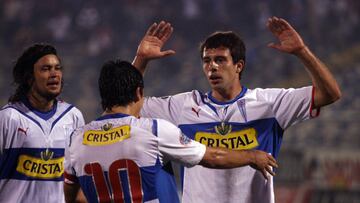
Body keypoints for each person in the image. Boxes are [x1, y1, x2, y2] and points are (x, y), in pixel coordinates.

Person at [132, 17, 341, 202]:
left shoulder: (269, 104)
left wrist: (302, 52)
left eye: (220, 60)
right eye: (207, 61)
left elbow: (330, 93)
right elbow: (128, 105)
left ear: (239, 65)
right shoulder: (183, 106)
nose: (212, 66)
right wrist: (141, 59)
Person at [63, 60, 278, 203]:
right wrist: (252, 156)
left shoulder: (77, 139)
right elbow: (212, 156)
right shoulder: (152, 130)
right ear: (139, 93)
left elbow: (72, 196)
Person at [0, 44, 85, 202]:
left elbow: (78, 177)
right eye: (45, 69)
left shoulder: (73, 116)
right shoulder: (9, 117)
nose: (54, 74)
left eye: (57, 68)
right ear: (29, 77)